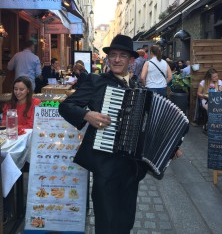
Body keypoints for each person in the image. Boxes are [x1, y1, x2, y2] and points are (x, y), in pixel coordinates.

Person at [59, 35, 181, 234]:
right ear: (108, 58)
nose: (116, 59)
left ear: (130, 60)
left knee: (125, 220)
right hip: (104, 165)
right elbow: (65, 107)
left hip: (130, 168)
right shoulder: (96, 81)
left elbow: (151, 125)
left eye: (122, 56)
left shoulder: (139, 88)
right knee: (106, 222)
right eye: (113, 55)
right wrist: (87, 114)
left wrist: (171, 146)